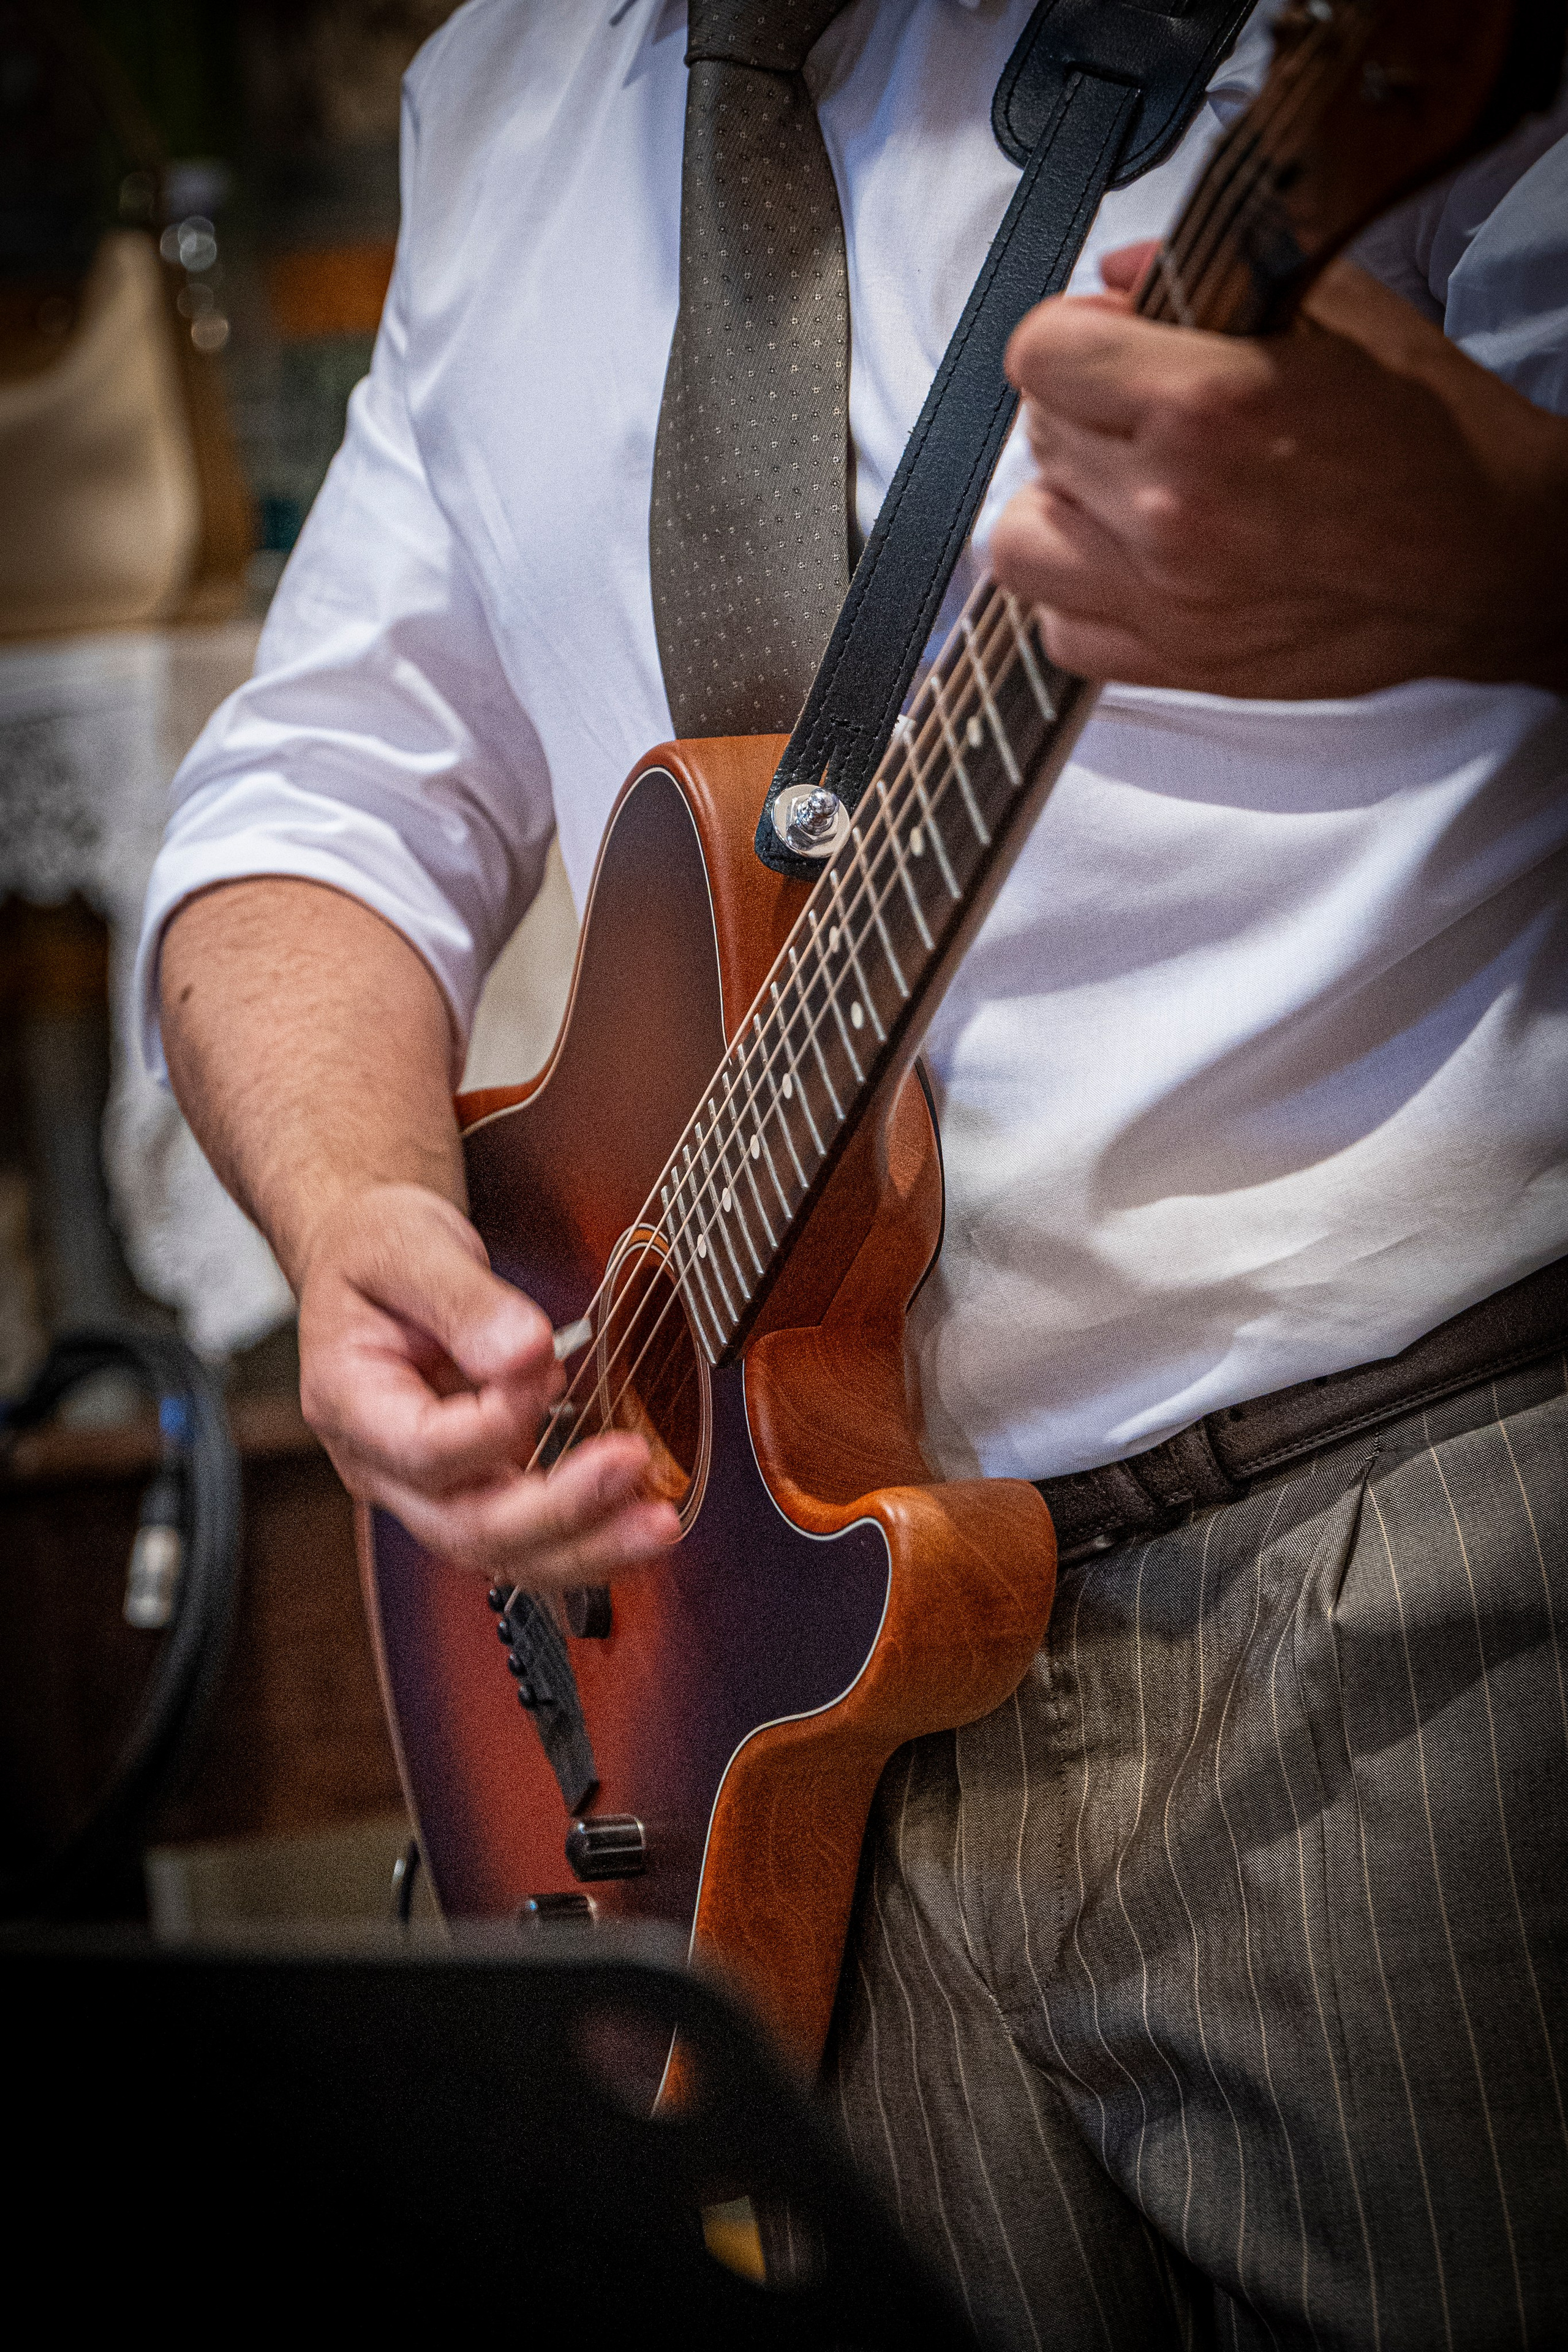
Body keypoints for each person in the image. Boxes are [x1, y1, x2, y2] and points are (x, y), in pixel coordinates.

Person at [138, 5, 1568, 2344]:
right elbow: (316, 795)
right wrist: (360, 1214)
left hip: (1401, 1572)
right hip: (741, 1657)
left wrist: (1502, 550)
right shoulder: (514, 81)